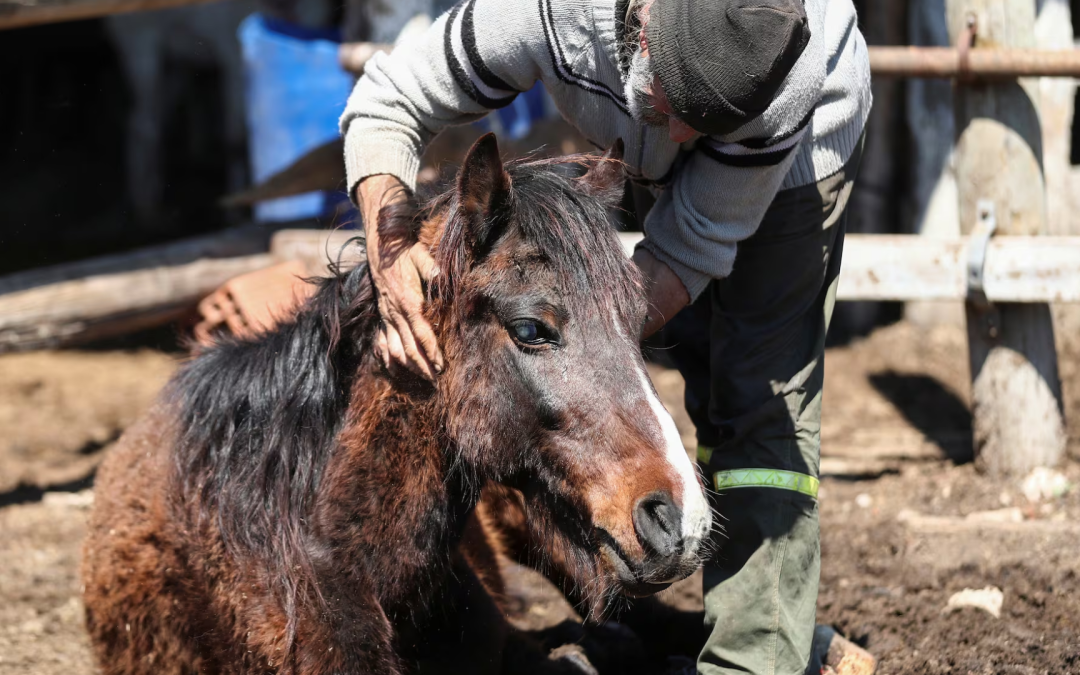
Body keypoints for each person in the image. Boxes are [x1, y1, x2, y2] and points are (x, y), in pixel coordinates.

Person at [339, 0, 871, 672]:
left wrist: (569, 345)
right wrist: (390, 262)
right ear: (641, 25)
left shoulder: (784, 85)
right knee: (658, 368)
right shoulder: (539, 13)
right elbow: (387, 99)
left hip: (796, 156)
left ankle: (752, 658)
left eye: (703, 122)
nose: (681, 140)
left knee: (759, 399)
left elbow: (694, 246)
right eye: (672, 103)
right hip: (644, 108)